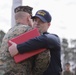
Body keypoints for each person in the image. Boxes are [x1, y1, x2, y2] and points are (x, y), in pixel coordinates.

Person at [8, 9, 62, 75]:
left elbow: (45, 40)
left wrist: (18, 48)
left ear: (48, 25)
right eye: (35, 20)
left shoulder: (53, 38)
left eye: (41, 21)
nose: (37, 23)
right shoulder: (30, 39)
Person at [0, 6, 50, 75]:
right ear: (29, 18)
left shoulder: (7, 34)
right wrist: (35, 72)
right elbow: (44, 56)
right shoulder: (31, 32)